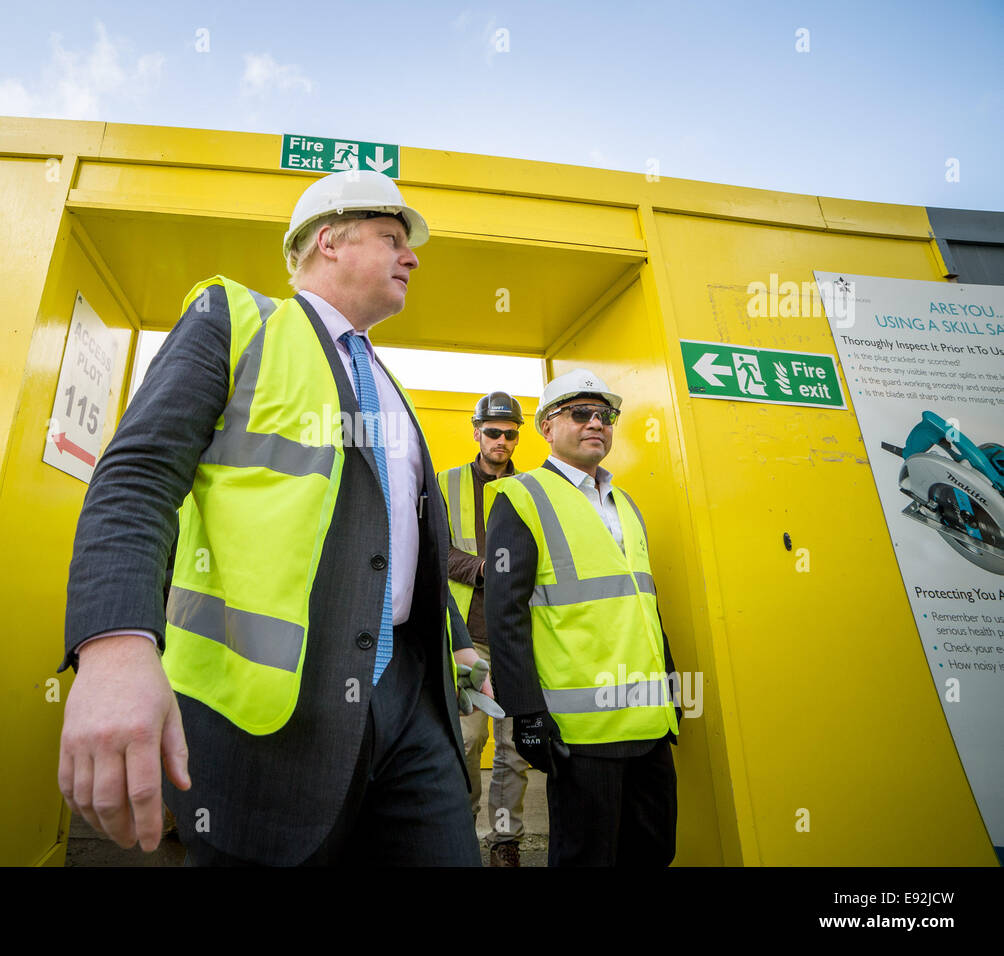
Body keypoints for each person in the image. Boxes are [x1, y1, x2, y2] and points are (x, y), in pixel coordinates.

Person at [56, 168, 488, 866]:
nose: (411, 256)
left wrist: (459, 641)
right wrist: (114, 646)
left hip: (413, 705)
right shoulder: (235, 321)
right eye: (391, 238)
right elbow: (137, 477)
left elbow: (402, 541)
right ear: (328, 242)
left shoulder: (388, 385)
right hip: (269, 725)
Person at [484, 368, 682, 866]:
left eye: (606, 414)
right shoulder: (521, 497)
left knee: (653, 852)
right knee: (587, 858)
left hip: (649, 720)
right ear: (547, 428)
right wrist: (525, 714)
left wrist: (671, 684)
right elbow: (505, 615)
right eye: (580, 412)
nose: (597, 422)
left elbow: (642, 603)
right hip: (583, 734)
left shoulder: (625, 503)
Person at [437, 391, 531, 867]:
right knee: (468, 740)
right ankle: (458, 830)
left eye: (510, 433)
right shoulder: (446, 483)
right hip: (467, 642)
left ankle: (505, 840)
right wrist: (485, 570)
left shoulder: (534, 488)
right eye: (492, 432)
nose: (501, 441)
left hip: (516, 642)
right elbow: (434, 547)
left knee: (514, 748)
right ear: (476, 433)